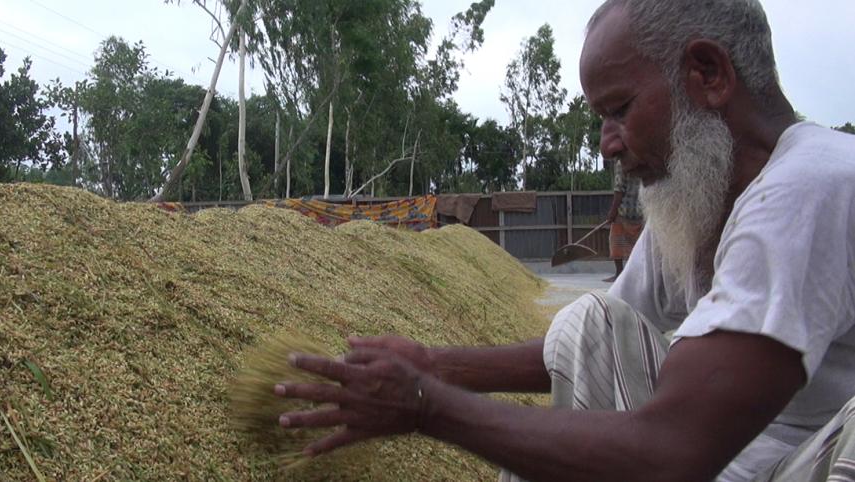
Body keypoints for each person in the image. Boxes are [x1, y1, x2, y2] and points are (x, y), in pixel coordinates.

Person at [272, 1, 855, 480]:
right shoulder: (697, 201)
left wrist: (425, 405)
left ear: (708, 74)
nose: (608, 143)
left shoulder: (812, 185)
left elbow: (674, 450)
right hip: (733, 458)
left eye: (619, 110)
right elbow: (588, 342)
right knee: (586, 321)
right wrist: (435, 366)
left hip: (801, 462)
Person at [604, 159, 643, 282]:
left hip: (625, 210)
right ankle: (633, 274)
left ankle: (620, 273)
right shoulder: (641, 158)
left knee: (615, 240)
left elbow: (619, 190)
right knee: (639, 246)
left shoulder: (622, 163)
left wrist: (613, 211)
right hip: (643, 210)